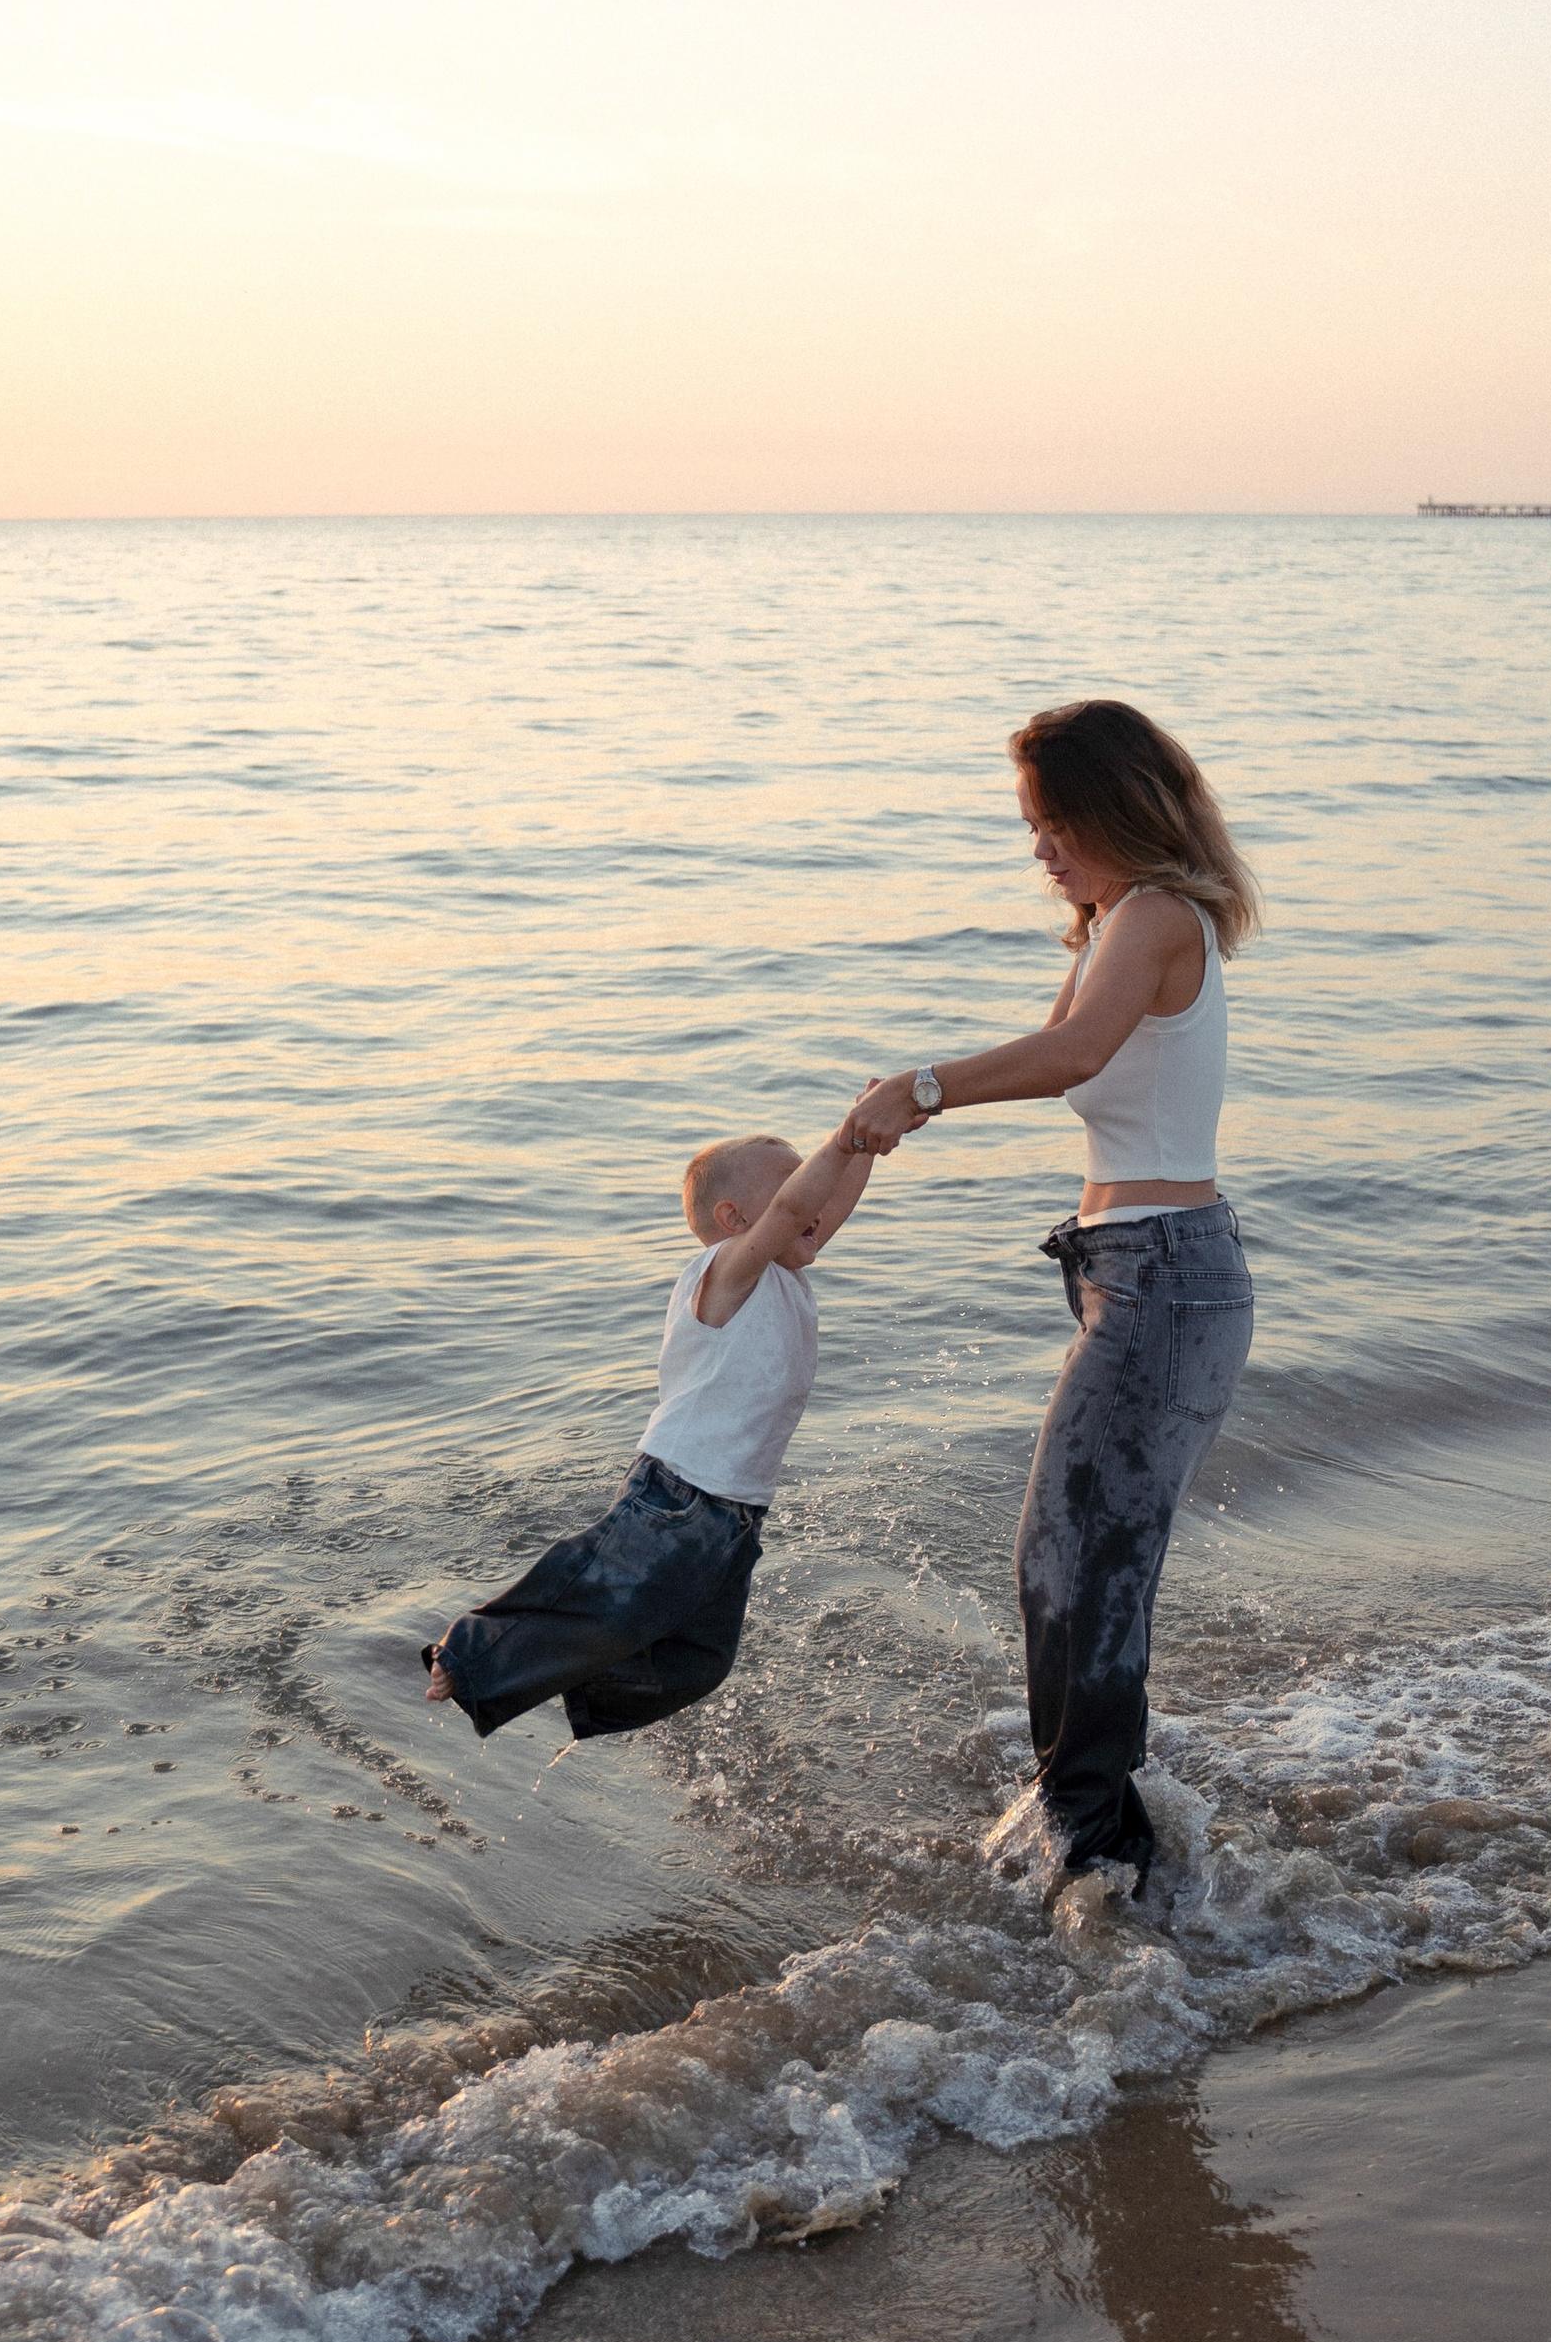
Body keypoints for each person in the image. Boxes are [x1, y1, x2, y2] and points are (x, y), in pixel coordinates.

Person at [840, 699, 1257, 1905]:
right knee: (1068, 1558)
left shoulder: (1157, 916)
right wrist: (920, 1088)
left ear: (1109, 808)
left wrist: (923, 1087)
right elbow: (1065, 1041)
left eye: (1050, 822)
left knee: (1084, 1564)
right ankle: (1089, 1824)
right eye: (1030, 826)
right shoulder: (1123, 923)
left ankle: (1099, 1852)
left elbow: (1070, 1057)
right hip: (1141, 1270)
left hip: (1163, 1273)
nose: (1037, 849)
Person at [421, 1127, 873, 1740]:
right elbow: (799, 1207)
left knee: (701, 1661)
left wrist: (870, 1145)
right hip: (679, 1493)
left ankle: (581, 1686)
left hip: (737, 1510)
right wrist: (845, 1141)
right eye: (791, 1188)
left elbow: (821, 1207)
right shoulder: (729, 1268)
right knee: (601, 1596)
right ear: (734, 1219)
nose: (813, 1206)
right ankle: (469, 1655)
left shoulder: (785, 1272)